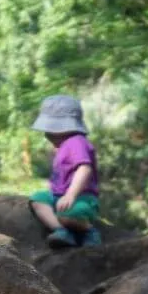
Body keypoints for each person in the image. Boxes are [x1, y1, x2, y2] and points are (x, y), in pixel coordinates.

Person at [28, 94, 102, 248]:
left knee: (68, 215)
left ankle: (89, 231)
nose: (46, 134)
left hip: (81, 198)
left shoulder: (76, 142)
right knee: (37, 200)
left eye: (51, 129)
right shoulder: (64, 145)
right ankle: (62, 231)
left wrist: (71, 194)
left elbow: (84, 168)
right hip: (58, 197)